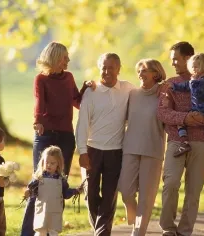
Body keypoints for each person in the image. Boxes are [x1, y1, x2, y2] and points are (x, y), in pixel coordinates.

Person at [157, 41, 204, 236]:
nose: (172, 63)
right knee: (171, 183)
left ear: (188, 58)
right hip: (176, 140)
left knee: (194, 190)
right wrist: (185, 118)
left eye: (175, 59)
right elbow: (163, 112)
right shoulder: (170, 84)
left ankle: (184, 231)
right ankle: (168, 227)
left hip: (201, 142)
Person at [21, 42, 93, 236]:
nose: (68, 61)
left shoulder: (68, 77)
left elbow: (77, 101)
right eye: (64, 58)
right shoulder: (41, 79)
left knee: (59, 185)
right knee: (40, 183)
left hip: (65, 136)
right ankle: (28, 233)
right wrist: (37, 121)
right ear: (54, 58)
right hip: (45, 135)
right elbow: (39, 103)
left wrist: (86, 88)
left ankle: (51, 231)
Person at [76, 52, 135, 236]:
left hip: (116, 152)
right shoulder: (91, 92)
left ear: (118, 69)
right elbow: (82, 124)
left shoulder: (128, 89)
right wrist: (83, 151)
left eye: (111, 67)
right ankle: (100, 231)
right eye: (103, 67)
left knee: (109, 196)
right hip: (92, 150)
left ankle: (102, 233)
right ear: (99, 68)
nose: (107, 71)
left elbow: (147, 93)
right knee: (90, 195)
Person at [118, 59, 166, 236]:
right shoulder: (133, 94)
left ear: (156, 73)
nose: (140, 74)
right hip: (130, 148)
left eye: (144, 70)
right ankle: (135, 218)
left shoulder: (164, 95)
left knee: (147, 197)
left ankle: (138, 231)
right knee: (125, 190)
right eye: (139, 70)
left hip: (153, 150)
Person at [168, 52, 204, 172]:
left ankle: (184, 142)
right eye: (193, 67)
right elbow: (186, 86)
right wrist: (175, 86)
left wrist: (175, 86)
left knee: (182, 121)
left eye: (196, 67)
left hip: (201, 110)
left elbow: (188, 86)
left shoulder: (199, 81)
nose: (194, 70)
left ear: (203, 67)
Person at [23, 146, 80, 236]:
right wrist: (28, 192)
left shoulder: (61, 180)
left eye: (52, 163)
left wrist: (74, 191)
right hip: (42, 210)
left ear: (58, 164)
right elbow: (32, 190)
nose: (49, 165)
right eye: (47, 162)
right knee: (41, 231)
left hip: (55, 211)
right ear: (43, 162)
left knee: (53, 232)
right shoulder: (39, 178)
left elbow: (65, 193)